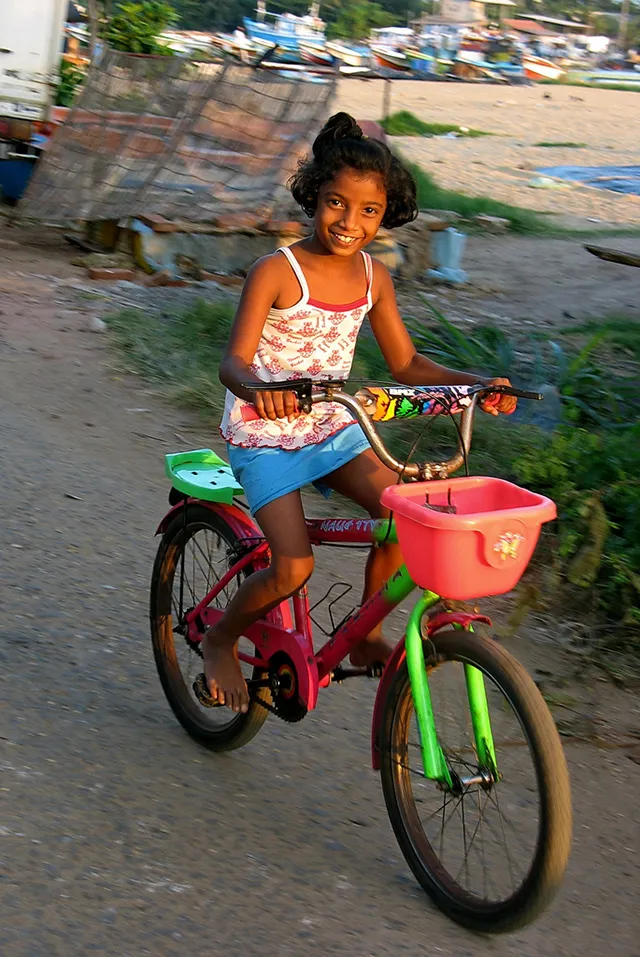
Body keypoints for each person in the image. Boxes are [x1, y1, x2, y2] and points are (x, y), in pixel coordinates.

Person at [199, 112, 516, 713]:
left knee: (404, 518)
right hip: (264, 434)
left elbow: (407, 363)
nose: (350, 223)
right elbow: (233, 363)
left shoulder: (375, 277)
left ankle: (365, 634)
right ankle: (221, 637)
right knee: (293, 567)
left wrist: (475, 383)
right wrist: (258, 389)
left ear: (385, 213)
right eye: (336, 204)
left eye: (368, 211)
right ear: (313, 197)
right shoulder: (276, 271)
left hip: (332, 425)